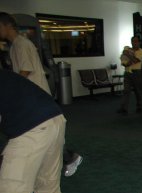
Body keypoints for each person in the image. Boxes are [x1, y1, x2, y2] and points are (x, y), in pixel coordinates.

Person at [0, 12, 83, 177]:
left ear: (6, 26)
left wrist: (10, 91)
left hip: (35, 99)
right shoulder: (16, 45)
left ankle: (68, 157)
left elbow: (25, 71)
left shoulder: (21, 44)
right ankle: (64, 158)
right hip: (33, 100)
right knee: (48, 138)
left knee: (46, 136)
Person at [117, 36, 142, 115]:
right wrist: (127, 59)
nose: (134, 43)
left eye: (136, 41)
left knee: (138, 91)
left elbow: (135, 60)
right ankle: (124, 108)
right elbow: (124, 61)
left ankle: (139, 107)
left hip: (137, 73)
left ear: (139, 42)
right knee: (126, 91)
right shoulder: (127, 49)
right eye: (132, 41)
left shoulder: (141, 51)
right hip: (127, 73)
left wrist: (128, 55)